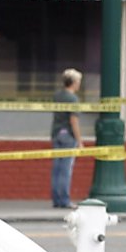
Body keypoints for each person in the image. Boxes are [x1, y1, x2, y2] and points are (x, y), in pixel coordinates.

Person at [52, 68, 83, 209]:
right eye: (78, 81)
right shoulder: (73, 99)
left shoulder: (57, 96)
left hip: (56, 133)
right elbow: (74, 121)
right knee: (65, 170)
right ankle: (64, 200)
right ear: (74, 82)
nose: (79, 84)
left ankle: (56, 199)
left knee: (57, 169)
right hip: (68, 136)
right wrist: (79, 141)